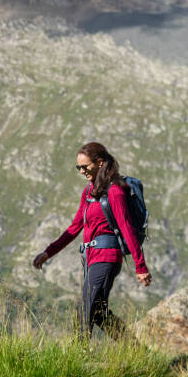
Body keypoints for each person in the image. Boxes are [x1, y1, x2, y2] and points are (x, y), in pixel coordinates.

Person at [32, 142, 151, 339]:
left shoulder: (115, 190)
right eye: (78, 167)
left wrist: (141, 266)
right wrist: (48, 252)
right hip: (90, 258)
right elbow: (74, 228)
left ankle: (79, 356)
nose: (81, 171)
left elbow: (126, 228)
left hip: (107, 257)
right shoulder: (88, 192)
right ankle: (137, 352)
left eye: (85, 166)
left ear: (100, 163)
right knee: (97, 313)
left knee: (84, 308)